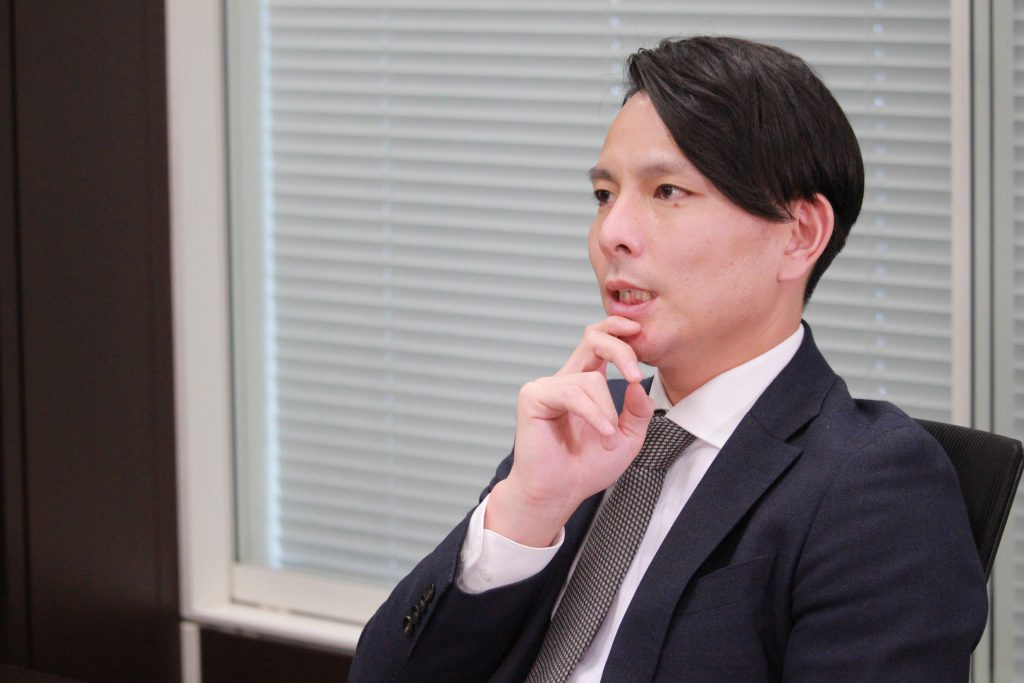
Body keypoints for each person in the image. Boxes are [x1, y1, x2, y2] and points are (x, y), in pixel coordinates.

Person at [349, 36, 987, 682]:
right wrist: (525, 511)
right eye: (604, 195)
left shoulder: (874, 486)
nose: (611, 234)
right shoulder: (585, 430)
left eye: (668, 192)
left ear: (799, 236)